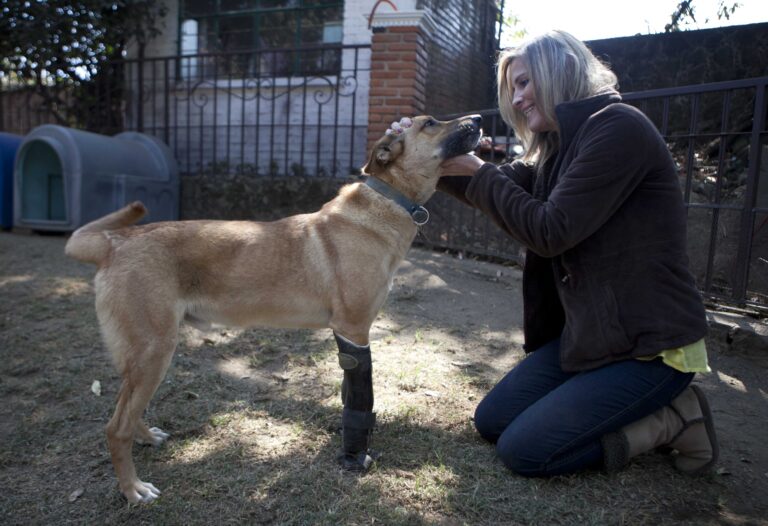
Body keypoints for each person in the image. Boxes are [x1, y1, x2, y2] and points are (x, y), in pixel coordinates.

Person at [437, 30, 718, 476]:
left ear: (559, 71)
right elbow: (501, 184)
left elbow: (550, 229)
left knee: (525, 451)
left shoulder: (618, 127)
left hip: (652, 347)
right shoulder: (557, 148)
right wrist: (424, 158)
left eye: (525, 82)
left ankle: (673, 419)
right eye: (514, 87)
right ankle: (616, 400)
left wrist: (478, 172)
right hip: (593, 338)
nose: (519, 97)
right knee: (492, 420)